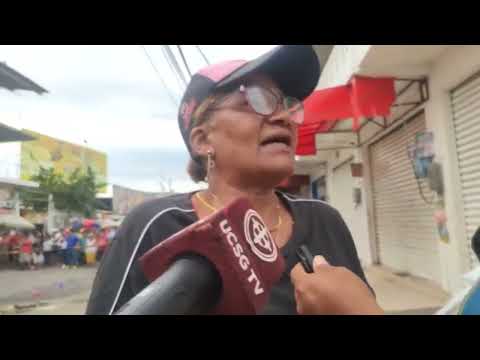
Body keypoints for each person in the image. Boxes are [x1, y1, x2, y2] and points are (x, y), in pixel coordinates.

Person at [86, 45, 383, 315]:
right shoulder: (155, 225)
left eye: (286, 104)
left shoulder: (324, 220)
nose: (282, 117)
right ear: (202, 140)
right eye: (254, 99)